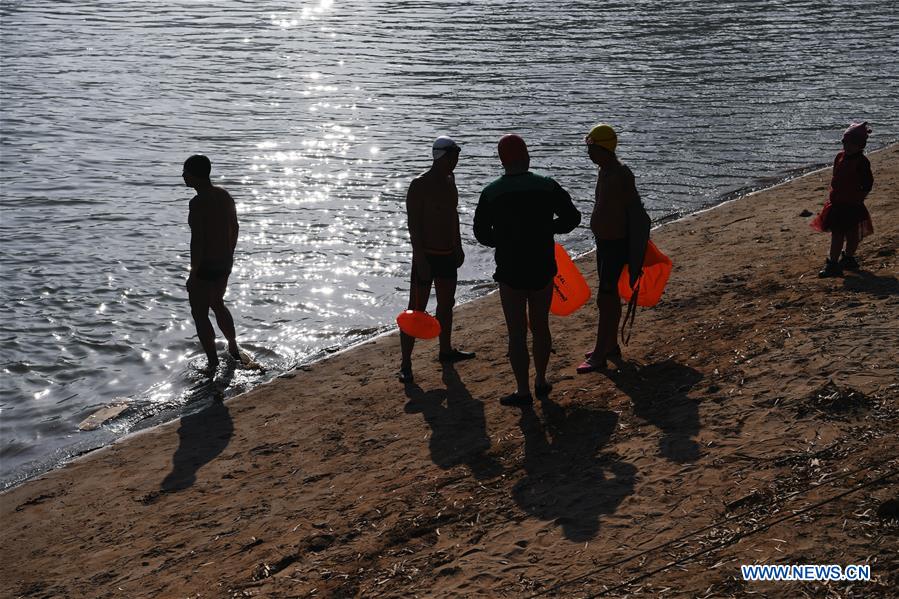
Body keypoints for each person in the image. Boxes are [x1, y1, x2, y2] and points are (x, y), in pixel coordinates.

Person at [474, 134, 581, 405]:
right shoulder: (546, 185)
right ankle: (541, 380)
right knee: (541, 326)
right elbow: (572, 218)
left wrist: (503, 240)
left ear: (501, 160)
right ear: (527, 156)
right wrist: (548, 229)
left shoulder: (491, 192)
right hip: (542, 265)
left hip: (510, 269)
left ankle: (522, 391)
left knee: (516, 332)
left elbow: (480, 232)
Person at [399, 136, 474, 383]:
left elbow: (453, 216)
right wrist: (419, 257)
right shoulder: (419, 184)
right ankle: (406, 363)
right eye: (454, 156)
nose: (457, 161)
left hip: (447, 254)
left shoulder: (450, 180)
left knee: (446, 304)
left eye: (457, 156)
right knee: (416, 309)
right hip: (426, 256)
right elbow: (413, 225)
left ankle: (445, 350)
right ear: (442, 156)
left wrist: (459, 246)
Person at [578, 124, 650, 374]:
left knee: (605, 298)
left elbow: (637, 213)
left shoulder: (620, 174)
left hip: (616, 245)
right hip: (604, 243)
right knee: (608, 298)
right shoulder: (604, 170)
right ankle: (609, 346)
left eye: (591, 148)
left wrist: (637, 252)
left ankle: (599, 354)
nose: (588, 153)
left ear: (604, 148)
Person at [183, 154, 240, 375]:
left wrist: (193, 273)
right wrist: (229, 254)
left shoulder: (198, 202)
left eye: (186, 172)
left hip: (205, 265)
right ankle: (233, 345)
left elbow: (198, 241)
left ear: (195, 175)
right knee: (217, 303)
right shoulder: (224, 195)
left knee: (199, 313)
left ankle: (213, 363)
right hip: (224, 261)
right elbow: (235, 227)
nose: (183, 176)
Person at [811, 122, 874, 277]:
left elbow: (867, 183)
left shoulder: (862, 162)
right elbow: (836, 175)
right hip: (837, 205)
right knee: (837, 234)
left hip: (853, 205)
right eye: (845, 143)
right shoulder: (839, 157)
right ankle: (833, 261)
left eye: (853, 144)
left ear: (861, 146)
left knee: (853, 234)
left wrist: (860, 197)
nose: (848, 147)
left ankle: (847, 258)